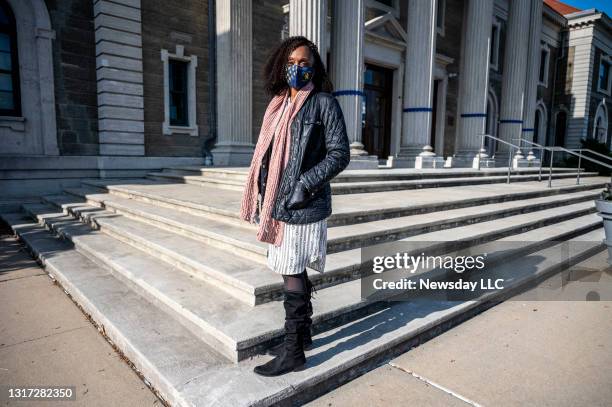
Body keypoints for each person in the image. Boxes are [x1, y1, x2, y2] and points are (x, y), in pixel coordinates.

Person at [239, 36, 350, 376]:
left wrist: (305, 183)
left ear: (314, 68)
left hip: (303, 203)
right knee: (293, 269)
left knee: (291, 271)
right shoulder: (278, 104)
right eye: (292, 62)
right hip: (278, 202)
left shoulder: (323, 103)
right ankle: (302, 337)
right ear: (280, 64)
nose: (297, 68)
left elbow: (340, 153)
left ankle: (293, 353)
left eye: (305, 63)